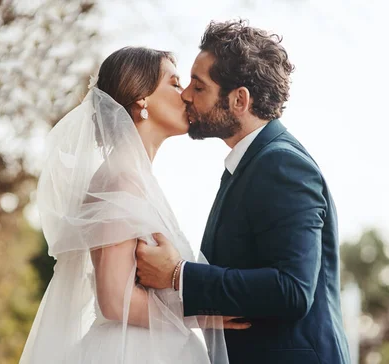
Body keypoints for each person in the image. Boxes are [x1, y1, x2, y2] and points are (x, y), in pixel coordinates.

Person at [136, 20, 351, 364]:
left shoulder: (281, 165)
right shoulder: (251, 163)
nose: (186, 95)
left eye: (199, 86)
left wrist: (179, 274)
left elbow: (292, 291)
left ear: (239, 100)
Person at [19, 47, 246, 364]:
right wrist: (203, 315)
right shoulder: (120, 179)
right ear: (142, 98)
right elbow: (113, 299)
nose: (185, 95)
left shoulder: (132, 176)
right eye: (174, 82)